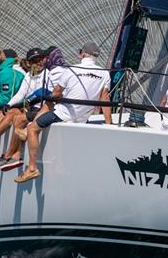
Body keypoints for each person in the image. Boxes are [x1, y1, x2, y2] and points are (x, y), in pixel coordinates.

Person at [15, 42, 112, 183]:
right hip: (83, 117)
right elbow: (105, 98)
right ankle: (27, 133)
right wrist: (109, 124)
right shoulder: (104, 73)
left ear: (82, 54)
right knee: (49, 105)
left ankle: (32, 168)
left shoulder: (71, 69)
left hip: (64, 115)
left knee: (33, 129)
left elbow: (56, 93)